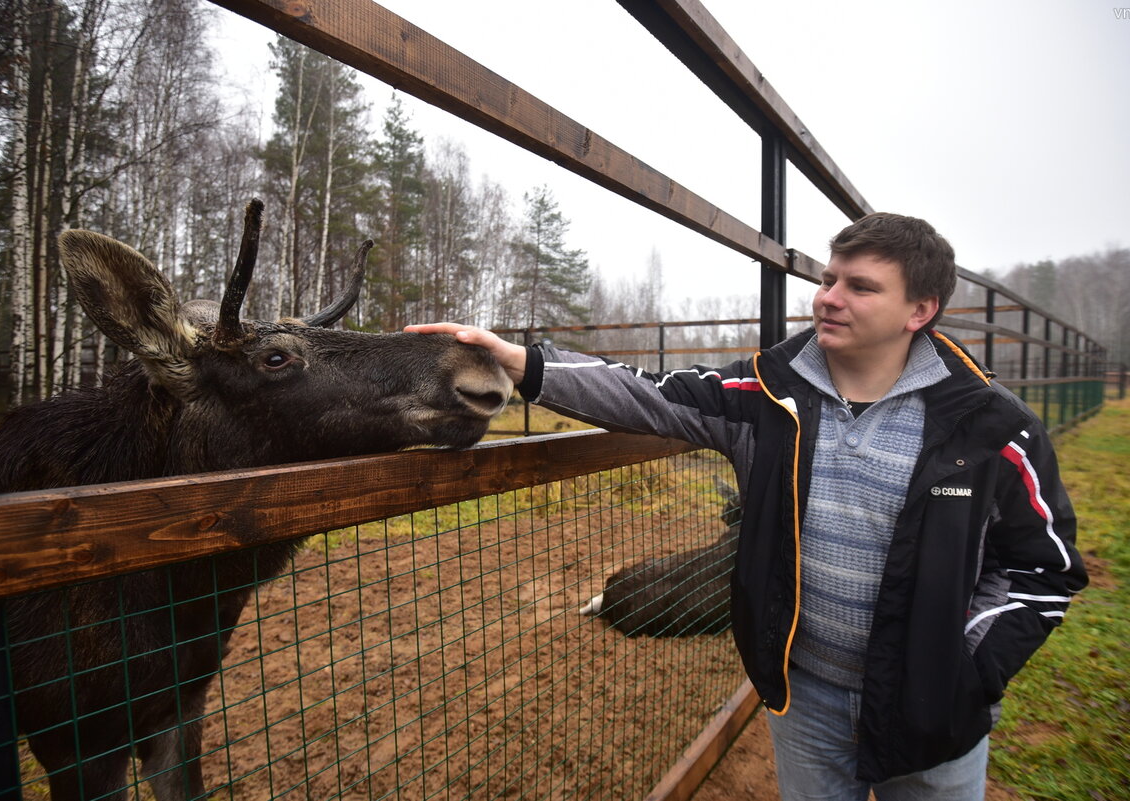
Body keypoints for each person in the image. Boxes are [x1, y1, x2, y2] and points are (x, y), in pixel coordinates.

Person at [406, 212, 1086, 799]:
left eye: (860, 287)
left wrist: (968, 671)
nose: (829, 298)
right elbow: (646, 393)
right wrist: (519, 361)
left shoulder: (991, 425)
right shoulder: (764, 395)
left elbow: (1043, 568)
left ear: (920, 310)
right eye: (828, 279)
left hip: (935, 708)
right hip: (806, 698)